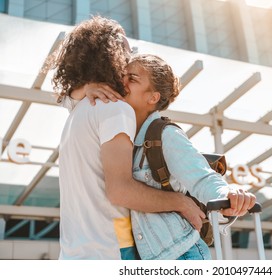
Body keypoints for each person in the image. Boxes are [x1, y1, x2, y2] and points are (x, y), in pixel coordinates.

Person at [50, 16, 208, 260]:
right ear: (111, 54)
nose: (131, 55)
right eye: (127, 49)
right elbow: (121, 191)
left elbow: (65, 98)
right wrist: (181, 202)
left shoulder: (79, 109)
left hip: (72, 254)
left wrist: (83, 88)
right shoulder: (114, 108)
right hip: (110, 249)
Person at [71, 53, 257, 260]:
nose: (121, 82)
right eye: (122, 75)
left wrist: (227, 192)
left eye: (132, 79)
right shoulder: (121, 134)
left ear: (153, 97)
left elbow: (202, 176)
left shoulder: (165, 134)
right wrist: (85, 88)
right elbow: (66, 99)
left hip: (181, 254)